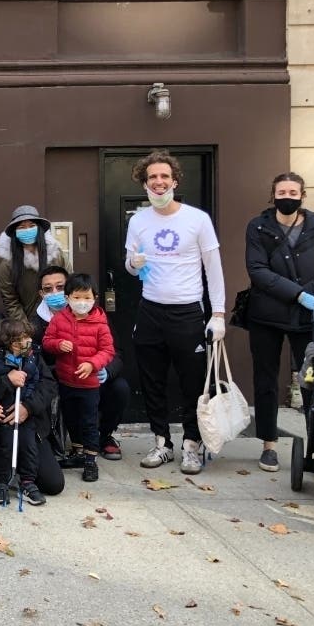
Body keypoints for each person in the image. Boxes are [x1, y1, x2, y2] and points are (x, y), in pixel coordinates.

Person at [125, 149, 226, 476]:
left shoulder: (197, 219)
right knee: (152, 380)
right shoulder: (138, 221)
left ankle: (192, 446)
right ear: (145, 184)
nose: (158, 182)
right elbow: (130, 265)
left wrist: (219, 313)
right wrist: (133, 264)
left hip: (187, 312)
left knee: (192, 383)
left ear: (175, 180)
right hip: (150, 310)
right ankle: (161, 442)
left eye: (164, 176)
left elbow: (213, 268)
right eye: (152, 177)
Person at [244, 172, 314, 472]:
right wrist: (299, 294)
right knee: (266, 380)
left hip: (308, 317)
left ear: (302, 195)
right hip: (267, 315)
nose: (287, 197)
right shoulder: (258, 226)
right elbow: (257, 269)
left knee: (313, 380)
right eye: (281, 191)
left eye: (293, 192)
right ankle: (268, 445)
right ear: (272, 195)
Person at [30, 265, 129, 463]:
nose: (55, 293)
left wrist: (106, 370)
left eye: (60, 286)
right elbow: (35, 358)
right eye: (48, 289)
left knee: (120, 388)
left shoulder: (97, 317)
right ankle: (62, 442)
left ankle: (104, 436)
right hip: (58, 379)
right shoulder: (35, 323)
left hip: (92, 376)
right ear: (41, 293)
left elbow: (115, 352)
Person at [0, 318, 50, 505]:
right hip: (3, 413)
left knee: (28, 445)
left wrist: (27, 403)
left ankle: (28, 481)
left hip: (23, 414)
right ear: (11, 343)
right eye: (22, 339)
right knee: (6, 446)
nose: (28, 342)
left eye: (29, 337)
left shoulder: (30, 358)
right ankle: (1, 482)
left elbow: (36, 381)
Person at [42, 274, 116, 483]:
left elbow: (108, 351)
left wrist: (93, 363)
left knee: (89, 421)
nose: (81, 302)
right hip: (66, 381)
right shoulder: (59, 319)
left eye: (86, 297)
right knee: (71, 419)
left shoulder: (100, 323)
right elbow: (47, 341)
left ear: (94, 298)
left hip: (90, 384)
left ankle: (91, 459)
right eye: (77, 297)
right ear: (68, 298)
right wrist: (58, 345)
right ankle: (77, 452)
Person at [0, 205, 67, 323]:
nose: (27, 230)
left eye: (32, 226)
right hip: (30, 323)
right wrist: (26, 327)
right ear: (15, 232)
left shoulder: (55, 255)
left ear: (39, 229)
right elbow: (10, 300)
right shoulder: (7, 266)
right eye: (21, 227)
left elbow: (71, 284)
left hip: (61, 318)